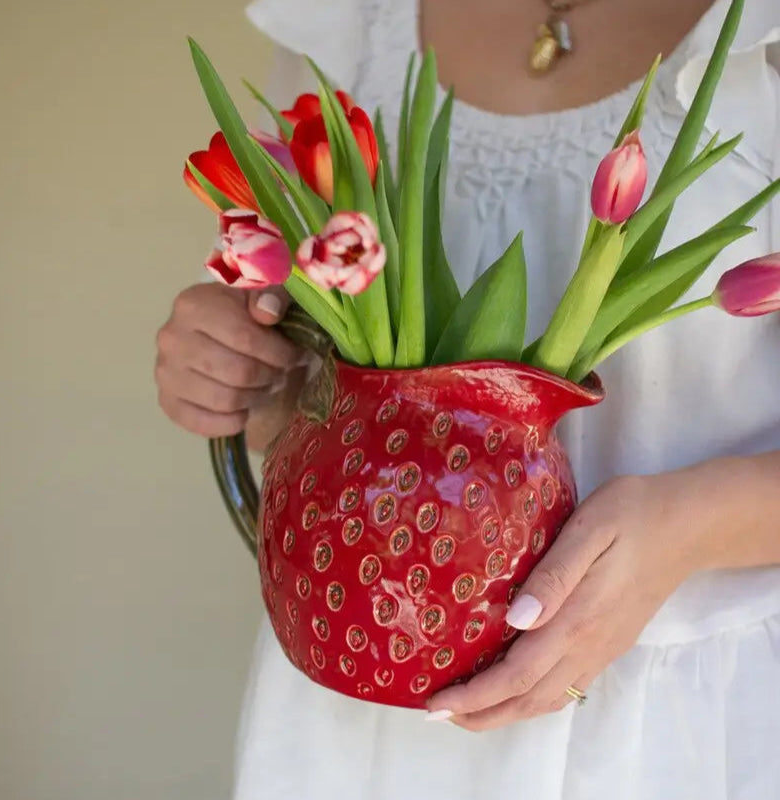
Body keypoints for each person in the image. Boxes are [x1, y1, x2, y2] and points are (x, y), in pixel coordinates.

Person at [154, 0, 780, 797]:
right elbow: (301, 385)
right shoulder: (351, 19)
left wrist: (687, 528)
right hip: (360, 711)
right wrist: (239, 369)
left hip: (678, 720)